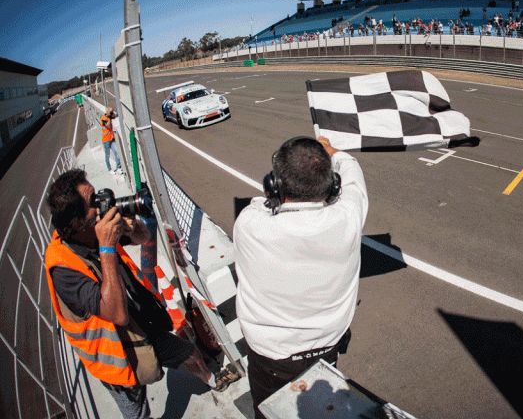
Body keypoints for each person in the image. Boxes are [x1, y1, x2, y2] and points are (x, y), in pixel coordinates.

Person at [44, 169, 237, 419]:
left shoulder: (94, 229)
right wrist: (106, 245)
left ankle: (213, 380)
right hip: (117, 355)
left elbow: (144, 237)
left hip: (143, 325)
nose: (103, 204)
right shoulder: (63, 269)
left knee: (188, 352)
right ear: (78, 223)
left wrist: (130, 227)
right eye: (94, 202)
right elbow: (116, 314)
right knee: (137, 411)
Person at [234, 136, 368, 418]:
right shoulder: (349, 218)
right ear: (333, 187)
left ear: (275, 185)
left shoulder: (249, 223)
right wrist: (333, 152)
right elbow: (354, 174)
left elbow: (262, 203)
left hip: (269, 359)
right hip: (327, 351)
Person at [101, 107, 123, 175]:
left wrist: (114, 114)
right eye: (110, 112)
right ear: (107, 111)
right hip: (106, 140)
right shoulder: (103, 118)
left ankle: (118, 167)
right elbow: (108, 126)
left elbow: (116, 115)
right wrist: (109, 118)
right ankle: (109, 169)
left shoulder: (110, 116)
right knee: (107, 155)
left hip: (111, 139)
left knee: (116, 152)